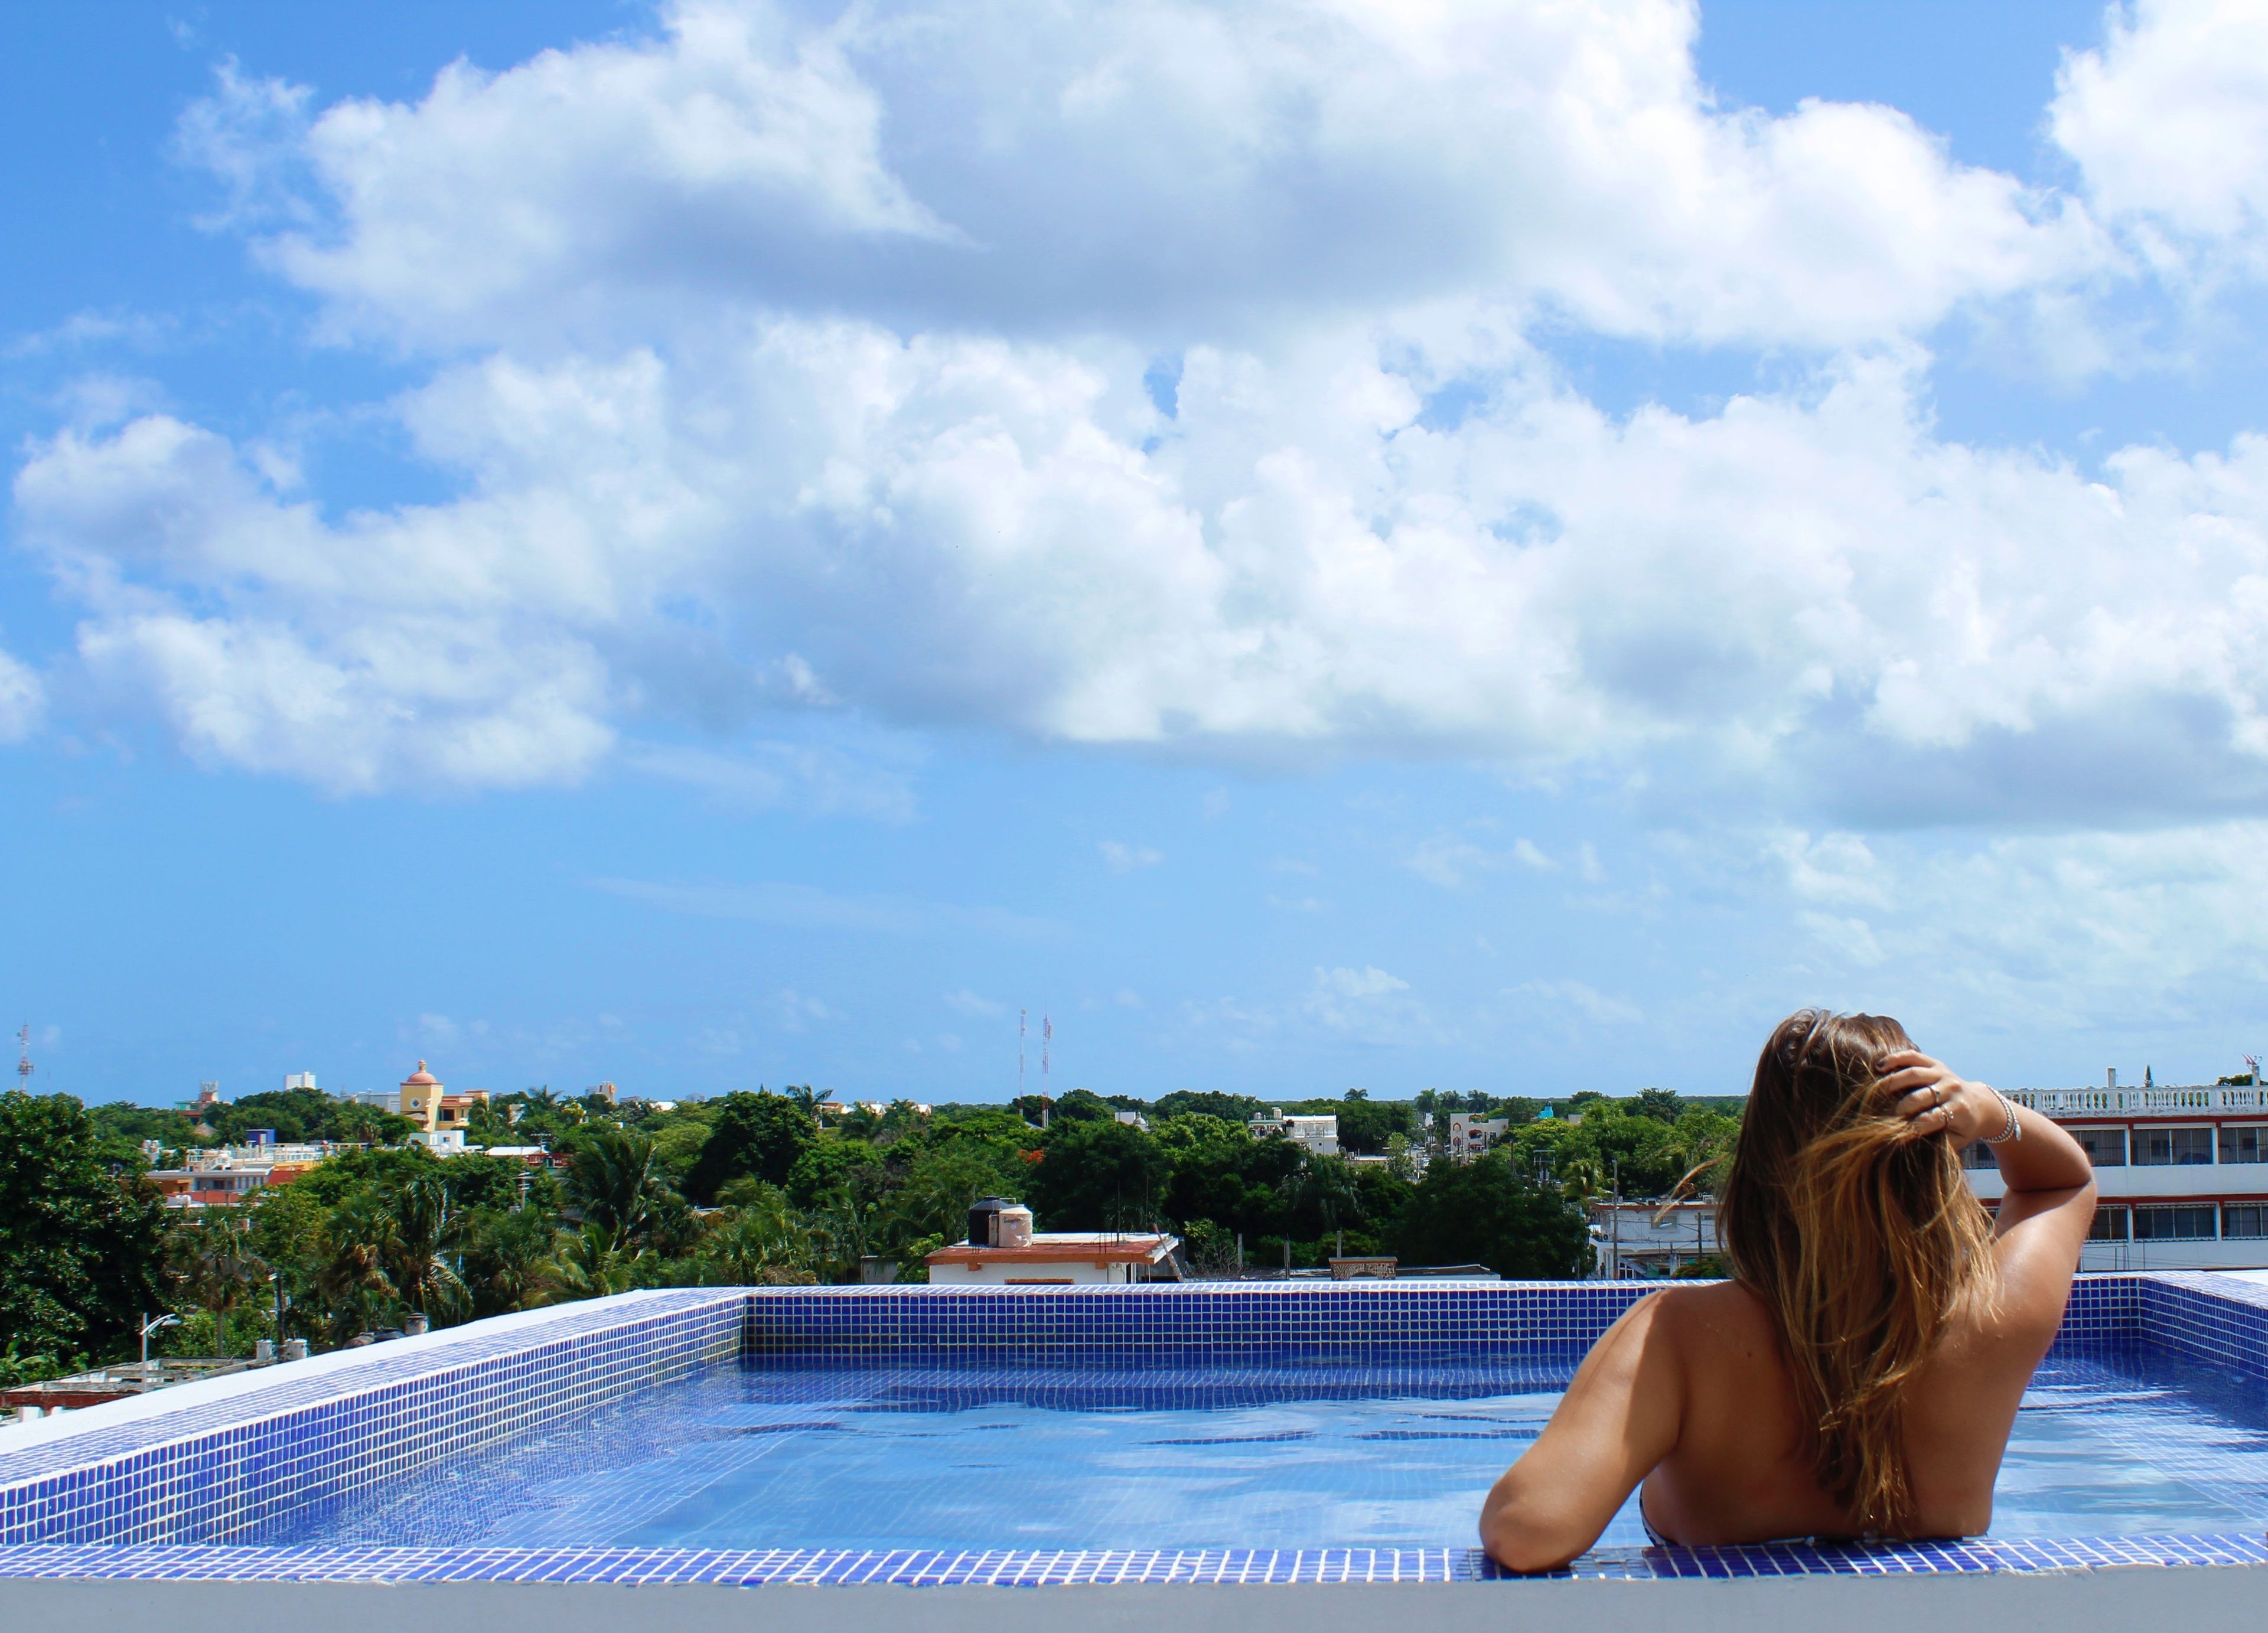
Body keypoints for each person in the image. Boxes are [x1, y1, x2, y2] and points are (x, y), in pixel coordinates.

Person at [1479, 1010, 2096, 1572]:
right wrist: (1989, 1108)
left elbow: (1527, 1531)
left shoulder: (1679, 1337)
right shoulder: (1995, 1314)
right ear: (1931, 1162)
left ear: (1759, 1168)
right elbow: (2064, 1183)